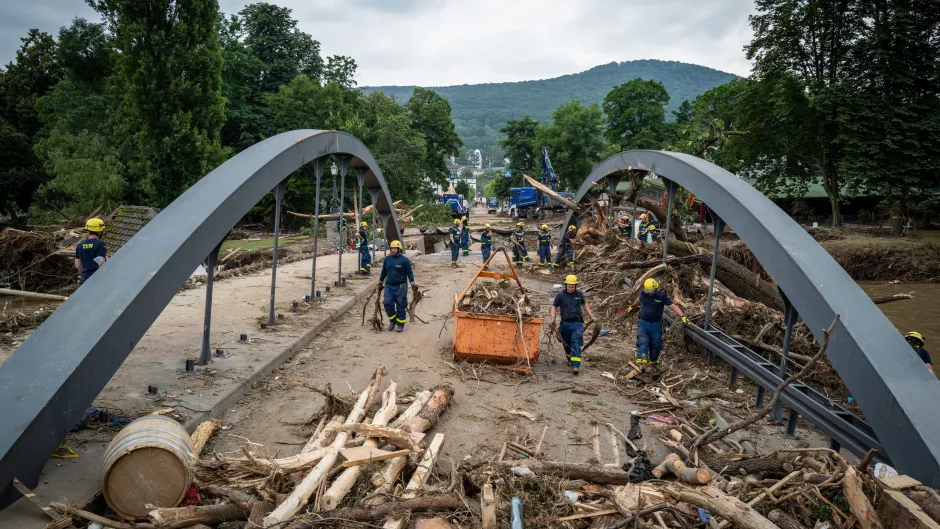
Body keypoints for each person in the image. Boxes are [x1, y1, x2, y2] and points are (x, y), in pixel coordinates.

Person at [626, 278, 689, 365]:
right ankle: (641, 358)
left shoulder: (662, 296)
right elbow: (638, 299)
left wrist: (682, 316)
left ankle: (654, 361)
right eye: (647, 291)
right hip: (643, 323)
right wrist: (632, 306)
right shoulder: (644, 293)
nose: (649, 293)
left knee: (656, 344)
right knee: (643, 340)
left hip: (655, 325)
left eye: (650, 291)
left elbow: (673, 306)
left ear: (655, 287)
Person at [551, 274, 593, 375]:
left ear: (575, 286)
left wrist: (592, 316)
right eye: (569, 286)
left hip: (577, 324)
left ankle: (576, 365)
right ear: (566, 285)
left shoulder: (579, 294)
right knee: (566, 344)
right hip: (565, 324)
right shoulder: (560, 295)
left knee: (576, 342)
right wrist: (553, 319)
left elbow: (584, 304)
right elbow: (554, 307)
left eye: (573, 287)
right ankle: (569, 358)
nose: (571, 288)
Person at [379, 240, 415, 333]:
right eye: (392, 248)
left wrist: (412, 282)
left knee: (401, 305)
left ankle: (400, 325)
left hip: (401, 287)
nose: (393, 250)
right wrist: (380, 281)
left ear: (399, 249)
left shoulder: (405, 260)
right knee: (387, 303)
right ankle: (393, 321)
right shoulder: (387, 259)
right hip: (389, 286)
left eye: (395, 248)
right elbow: (384, 271)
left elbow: (409, 272)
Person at [75, 218, 107, 285]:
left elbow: (77, 265)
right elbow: (100, 263)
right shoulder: (100, 244)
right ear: (99, 231)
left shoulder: (80, 245)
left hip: (85, 279)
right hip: (97, 279)